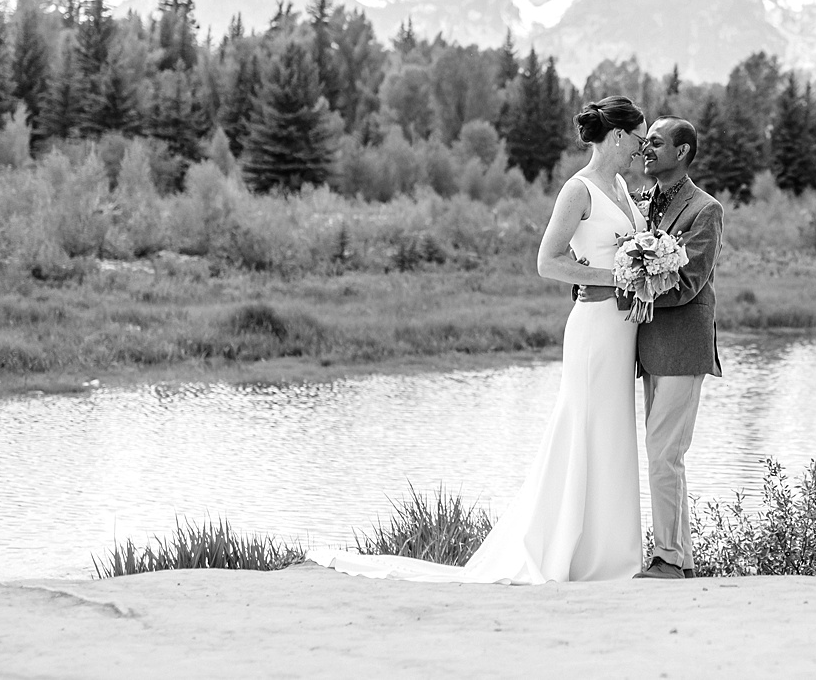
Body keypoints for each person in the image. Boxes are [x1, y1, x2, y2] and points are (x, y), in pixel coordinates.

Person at [309, 96, 649, 584]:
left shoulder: (619, 185)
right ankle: (562, 550)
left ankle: (609, 555)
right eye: (638, 138)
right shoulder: (580, 191)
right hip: (594, 331)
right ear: (617, 137)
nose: (641, 148)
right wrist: (614, 277)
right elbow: (548, 262)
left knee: (612, 434)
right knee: (583, 428)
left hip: (622, 332)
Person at [631, 116, 724, 579]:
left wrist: (629, 283)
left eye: (656, 142)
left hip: (683, 347)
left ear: (683, 152)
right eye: (644, 142)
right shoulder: (645, 203)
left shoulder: (705, 210)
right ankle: (681, 560)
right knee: (665, 453)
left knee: (664, 451)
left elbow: (688, 283)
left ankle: (666, 558)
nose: (646, 149)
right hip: (650, 347)